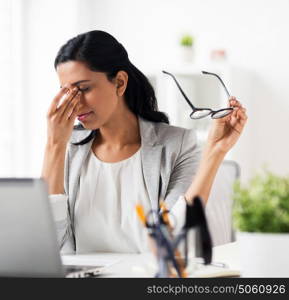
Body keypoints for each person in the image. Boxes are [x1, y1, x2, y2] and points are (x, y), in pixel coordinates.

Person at [41, 30, 247, 254]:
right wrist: (54, 144)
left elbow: (170, 237)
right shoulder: (68, 148)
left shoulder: (177, 145)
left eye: (84, 89)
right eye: (66, 92)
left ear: (120, 83)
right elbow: (50, 243)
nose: (75, 103)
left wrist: (214, 152)